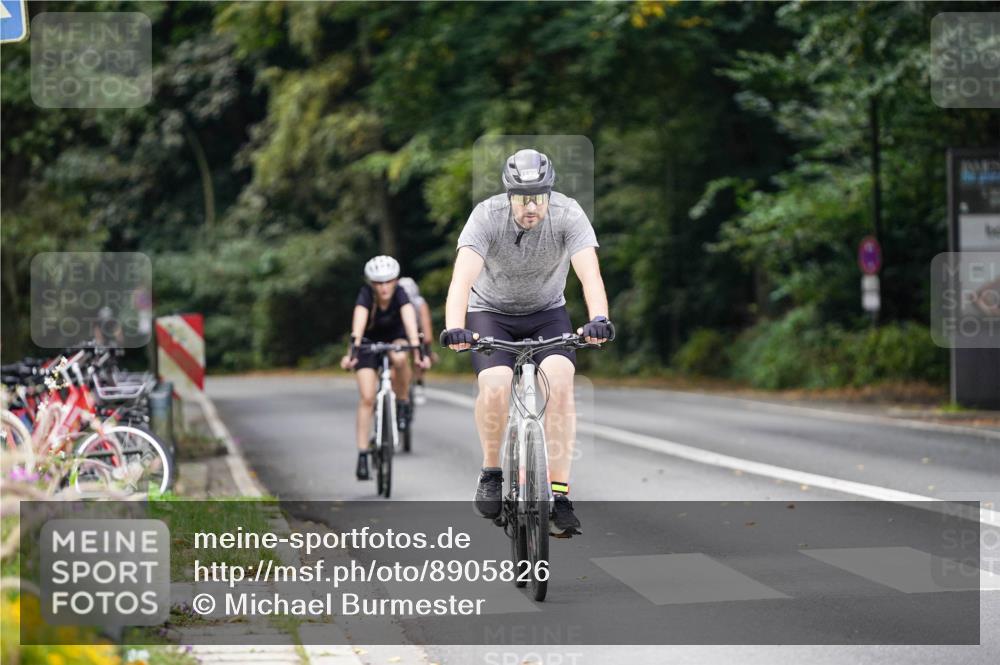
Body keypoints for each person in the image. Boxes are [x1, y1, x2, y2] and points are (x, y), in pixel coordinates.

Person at [440, 148, 613, 536]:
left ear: (550, 193)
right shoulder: (486, 216)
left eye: (539, 197)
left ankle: (560, 495)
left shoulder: (569, 214)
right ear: (509, 195)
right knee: (496, 384)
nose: (531, 206)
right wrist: (455, 328)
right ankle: (491, 472)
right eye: (522, 198)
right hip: (490, 313)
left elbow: (590, 276)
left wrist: (599, 319)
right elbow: (461, 280)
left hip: (547, 313)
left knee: (561, 383)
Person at [340, 256, 429, 480]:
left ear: (395, 280)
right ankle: (363, 454)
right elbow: (357, 328)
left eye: (388, 281)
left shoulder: (401, 294)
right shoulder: (366, 295)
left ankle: (402, 402)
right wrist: (352, 354)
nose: (384, 287)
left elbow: (411, 325)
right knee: (367, 398)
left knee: (400, 358)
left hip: (396, 338)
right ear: (372, 283)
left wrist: (418, 354)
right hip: (368, 343)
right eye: (378, 283)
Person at [397, 276, 437, 405]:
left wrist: (426, 346)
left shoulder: (420, 303)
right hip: (401, 332)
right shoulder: (395, 302)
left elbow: (426, 324)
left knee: (420, 357)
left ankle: (419, 383)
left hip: (418, 331)